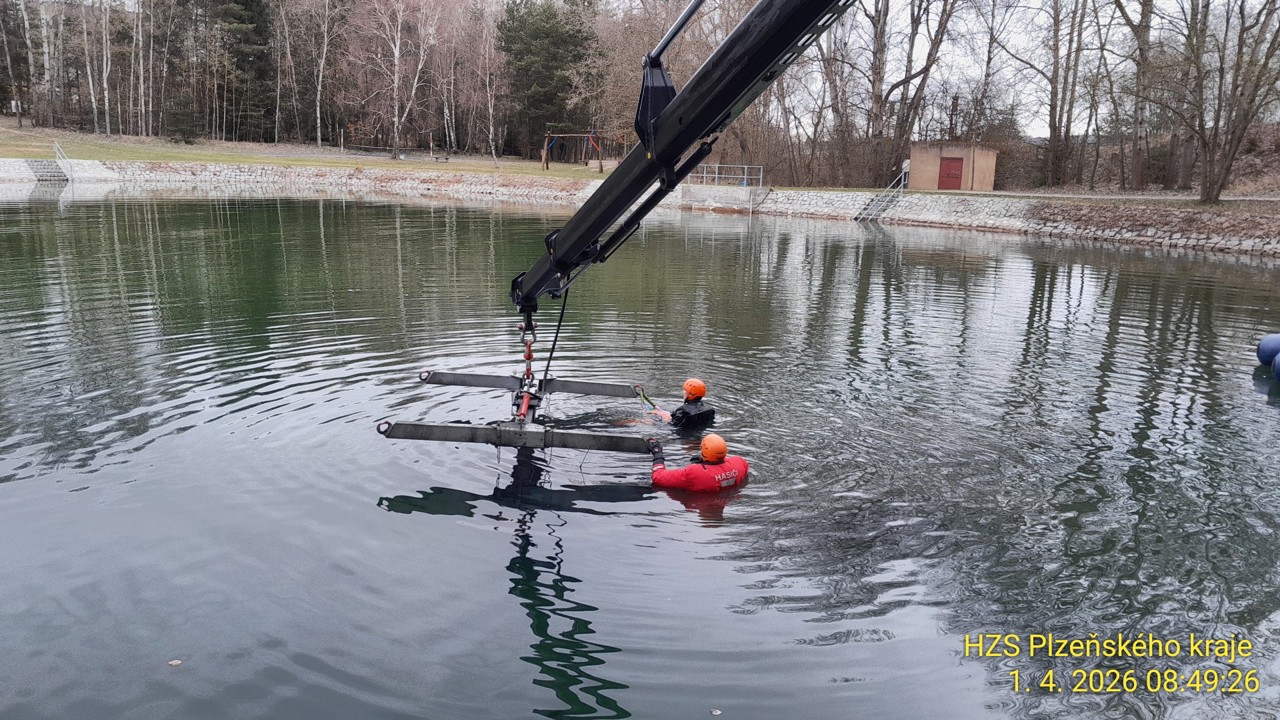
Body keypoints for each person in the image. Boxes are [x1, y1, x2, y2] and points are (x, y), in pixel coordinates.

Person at [647, 433, 749, 492]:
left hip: (699, 500)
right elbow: (722, 469)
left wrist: (657, 454)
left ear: (704, 450)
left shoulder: (693, 474)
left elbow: (657, 477)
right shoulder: (740, 463)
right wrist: (704, 463)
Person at [649, 378, 716, 429]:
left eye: (685, 390)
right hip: (698, 432)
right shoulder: (710, 409)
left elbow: (671, 426)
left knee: (648, 421)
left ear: (690, 394)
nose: (683, 392)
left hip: (682, 435)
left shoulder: (683, 411)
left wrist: (663, 416)